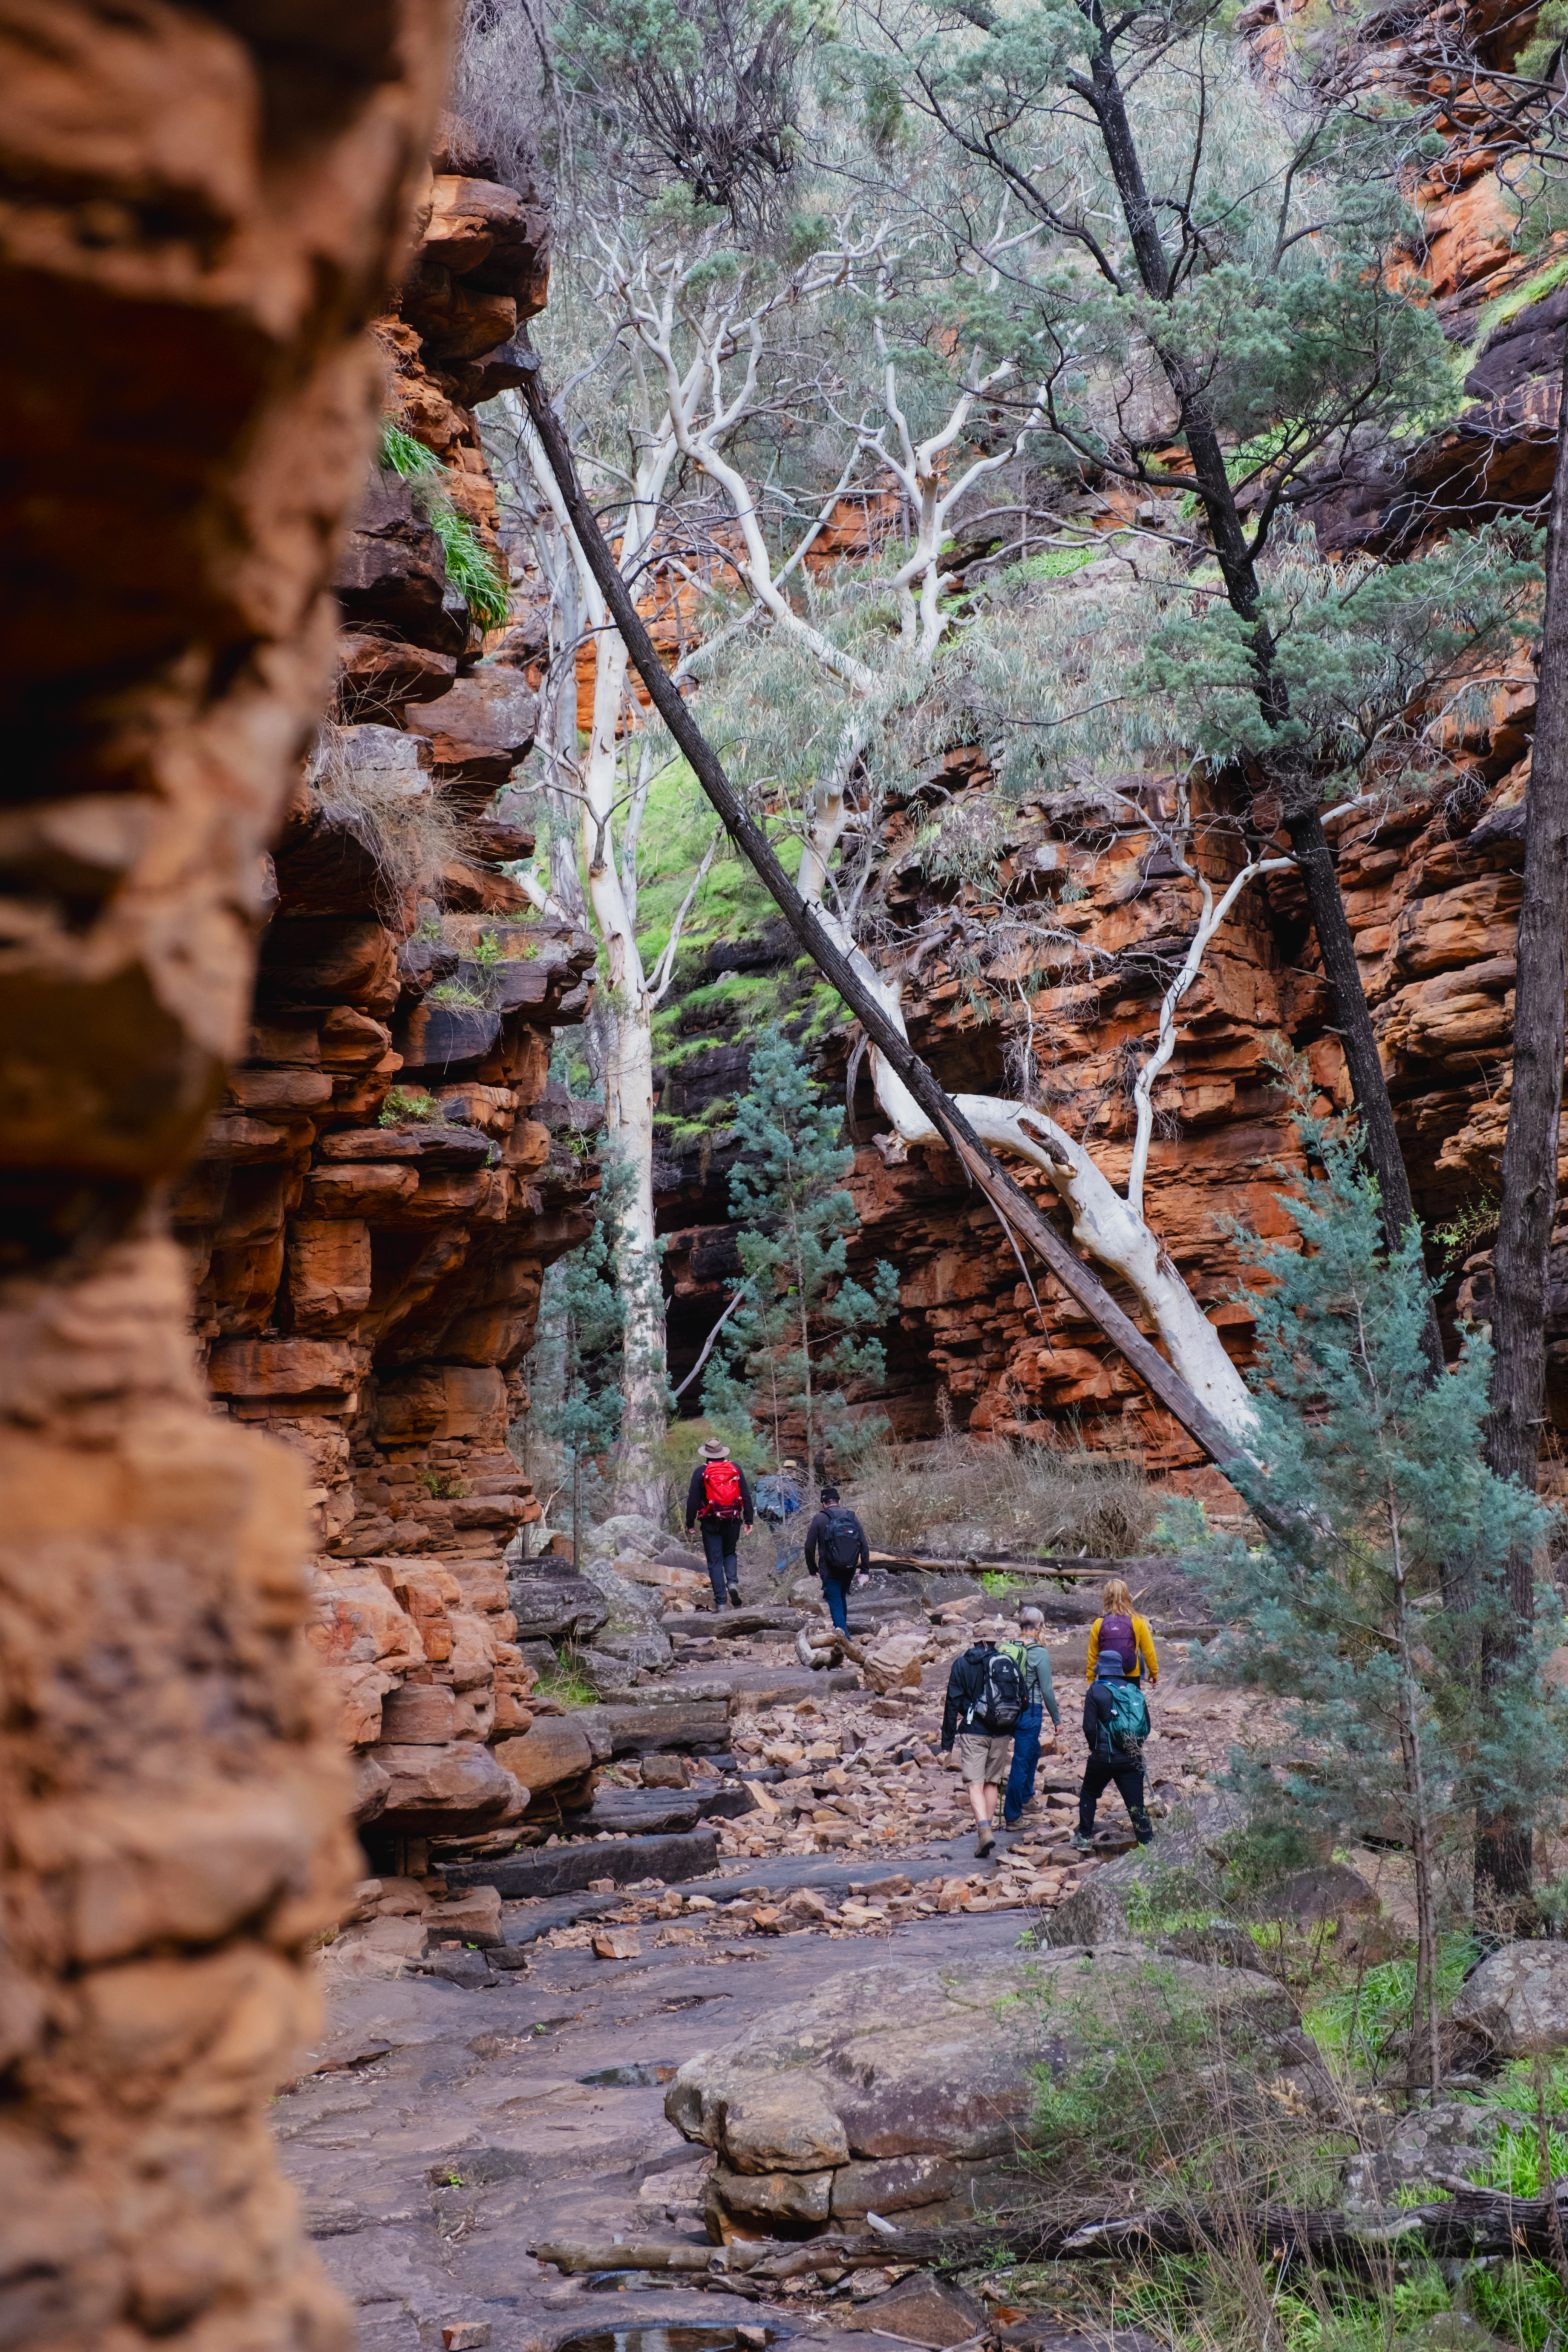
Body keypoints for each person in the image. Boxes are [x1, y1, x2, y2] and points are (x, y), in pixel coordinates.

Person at [939, 1633, 1029, 1858]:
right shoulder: (1006, 1663)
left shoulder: (961, 1664)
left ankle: (984, 1830)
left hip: (973, 1731)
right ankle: (985, 1832)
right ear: (993, 1641)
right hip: (1001, 1731)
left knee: (974, 1783)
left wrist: (947, 1743)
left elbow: (952, 1701)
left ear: (975, 1640)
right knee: (991, 1781)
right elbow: (1023, 1698)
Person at [1073, 1649, 1154, 1849]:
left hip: (1104, 1756)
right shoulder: (1133, 1690)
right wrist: (1132, 1746)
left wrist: (1096, 1748)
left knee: (1090, 1793)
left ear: (1101, 1667)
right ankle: (1148, 1845)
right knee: (1136, 1805)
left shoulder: (1096, 1690)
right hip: (1131, 1757)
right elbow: (1147, 1726)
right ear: (1119, 1669)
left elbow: (1089, 1727)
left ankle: (1083, 1837)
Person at [1001, 1603, 1061, 1829]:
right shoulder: (1039, 1653)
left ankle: (1026, 1796)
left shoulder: (1006, 1647)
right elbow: (1046, 1690)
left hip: (1004, 1710)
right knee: (1021, 1761)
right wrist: (1057, 1719)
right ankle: (1013, 1815)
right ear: (1038, 1626)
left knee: (1033, 1750)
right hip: (1030, 1711)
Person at [684, 1437, 754, 1610]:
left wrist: (690, 1523)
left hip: (710, 1521)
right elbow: (745, 1494)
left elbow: (692, 1500)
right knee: (730, 1553)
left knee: (714, 1561)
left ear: (706, 1455)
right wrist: (748, 1519)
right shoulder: (735, 1468)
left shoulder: (701, 1471)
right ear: (722, 1453)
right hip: (732, 1519)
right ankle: (732, 1583)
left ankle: (721, 1603)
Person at [803, 1484, 869, 1632]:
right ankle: (844, 1630)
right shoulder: (851, 1516)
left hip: (829, 1568)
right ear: (838, 1500)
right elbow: (863, 1545)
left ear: (823, 1503)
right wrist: (865, 1570)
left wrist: (812, 1569)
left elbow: (809, 1546)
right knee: (841, 1596)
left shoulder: (819, 1518)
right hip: (849, 1567)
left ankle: (843, 1634)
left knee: (834, 1599)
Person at [1085, 1576, 1159, 1689]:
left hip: (1106, 1674)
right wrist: (1153, 1673)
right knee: (1130, 1704)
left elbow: (1093, 1655)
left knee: (1108, 1705)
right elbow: (1148, 1651)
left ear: (1106, 1597)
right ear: (1126, 1596)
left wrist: (1091, 1679)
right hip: (1131, 1673)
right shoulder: (1137, 1621)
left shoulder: (1098, 1623)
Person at [755, 1456, 803, 1571]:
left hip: (771, 1518)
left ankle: (779, 1572)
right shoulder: (790, 1484)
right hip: (785, 1519)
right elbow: (795, 1506)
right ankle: (778, 1571)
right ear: (795, 1471)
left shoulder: (774, 1481)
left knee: (780, 1547)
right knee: (797, 1550)